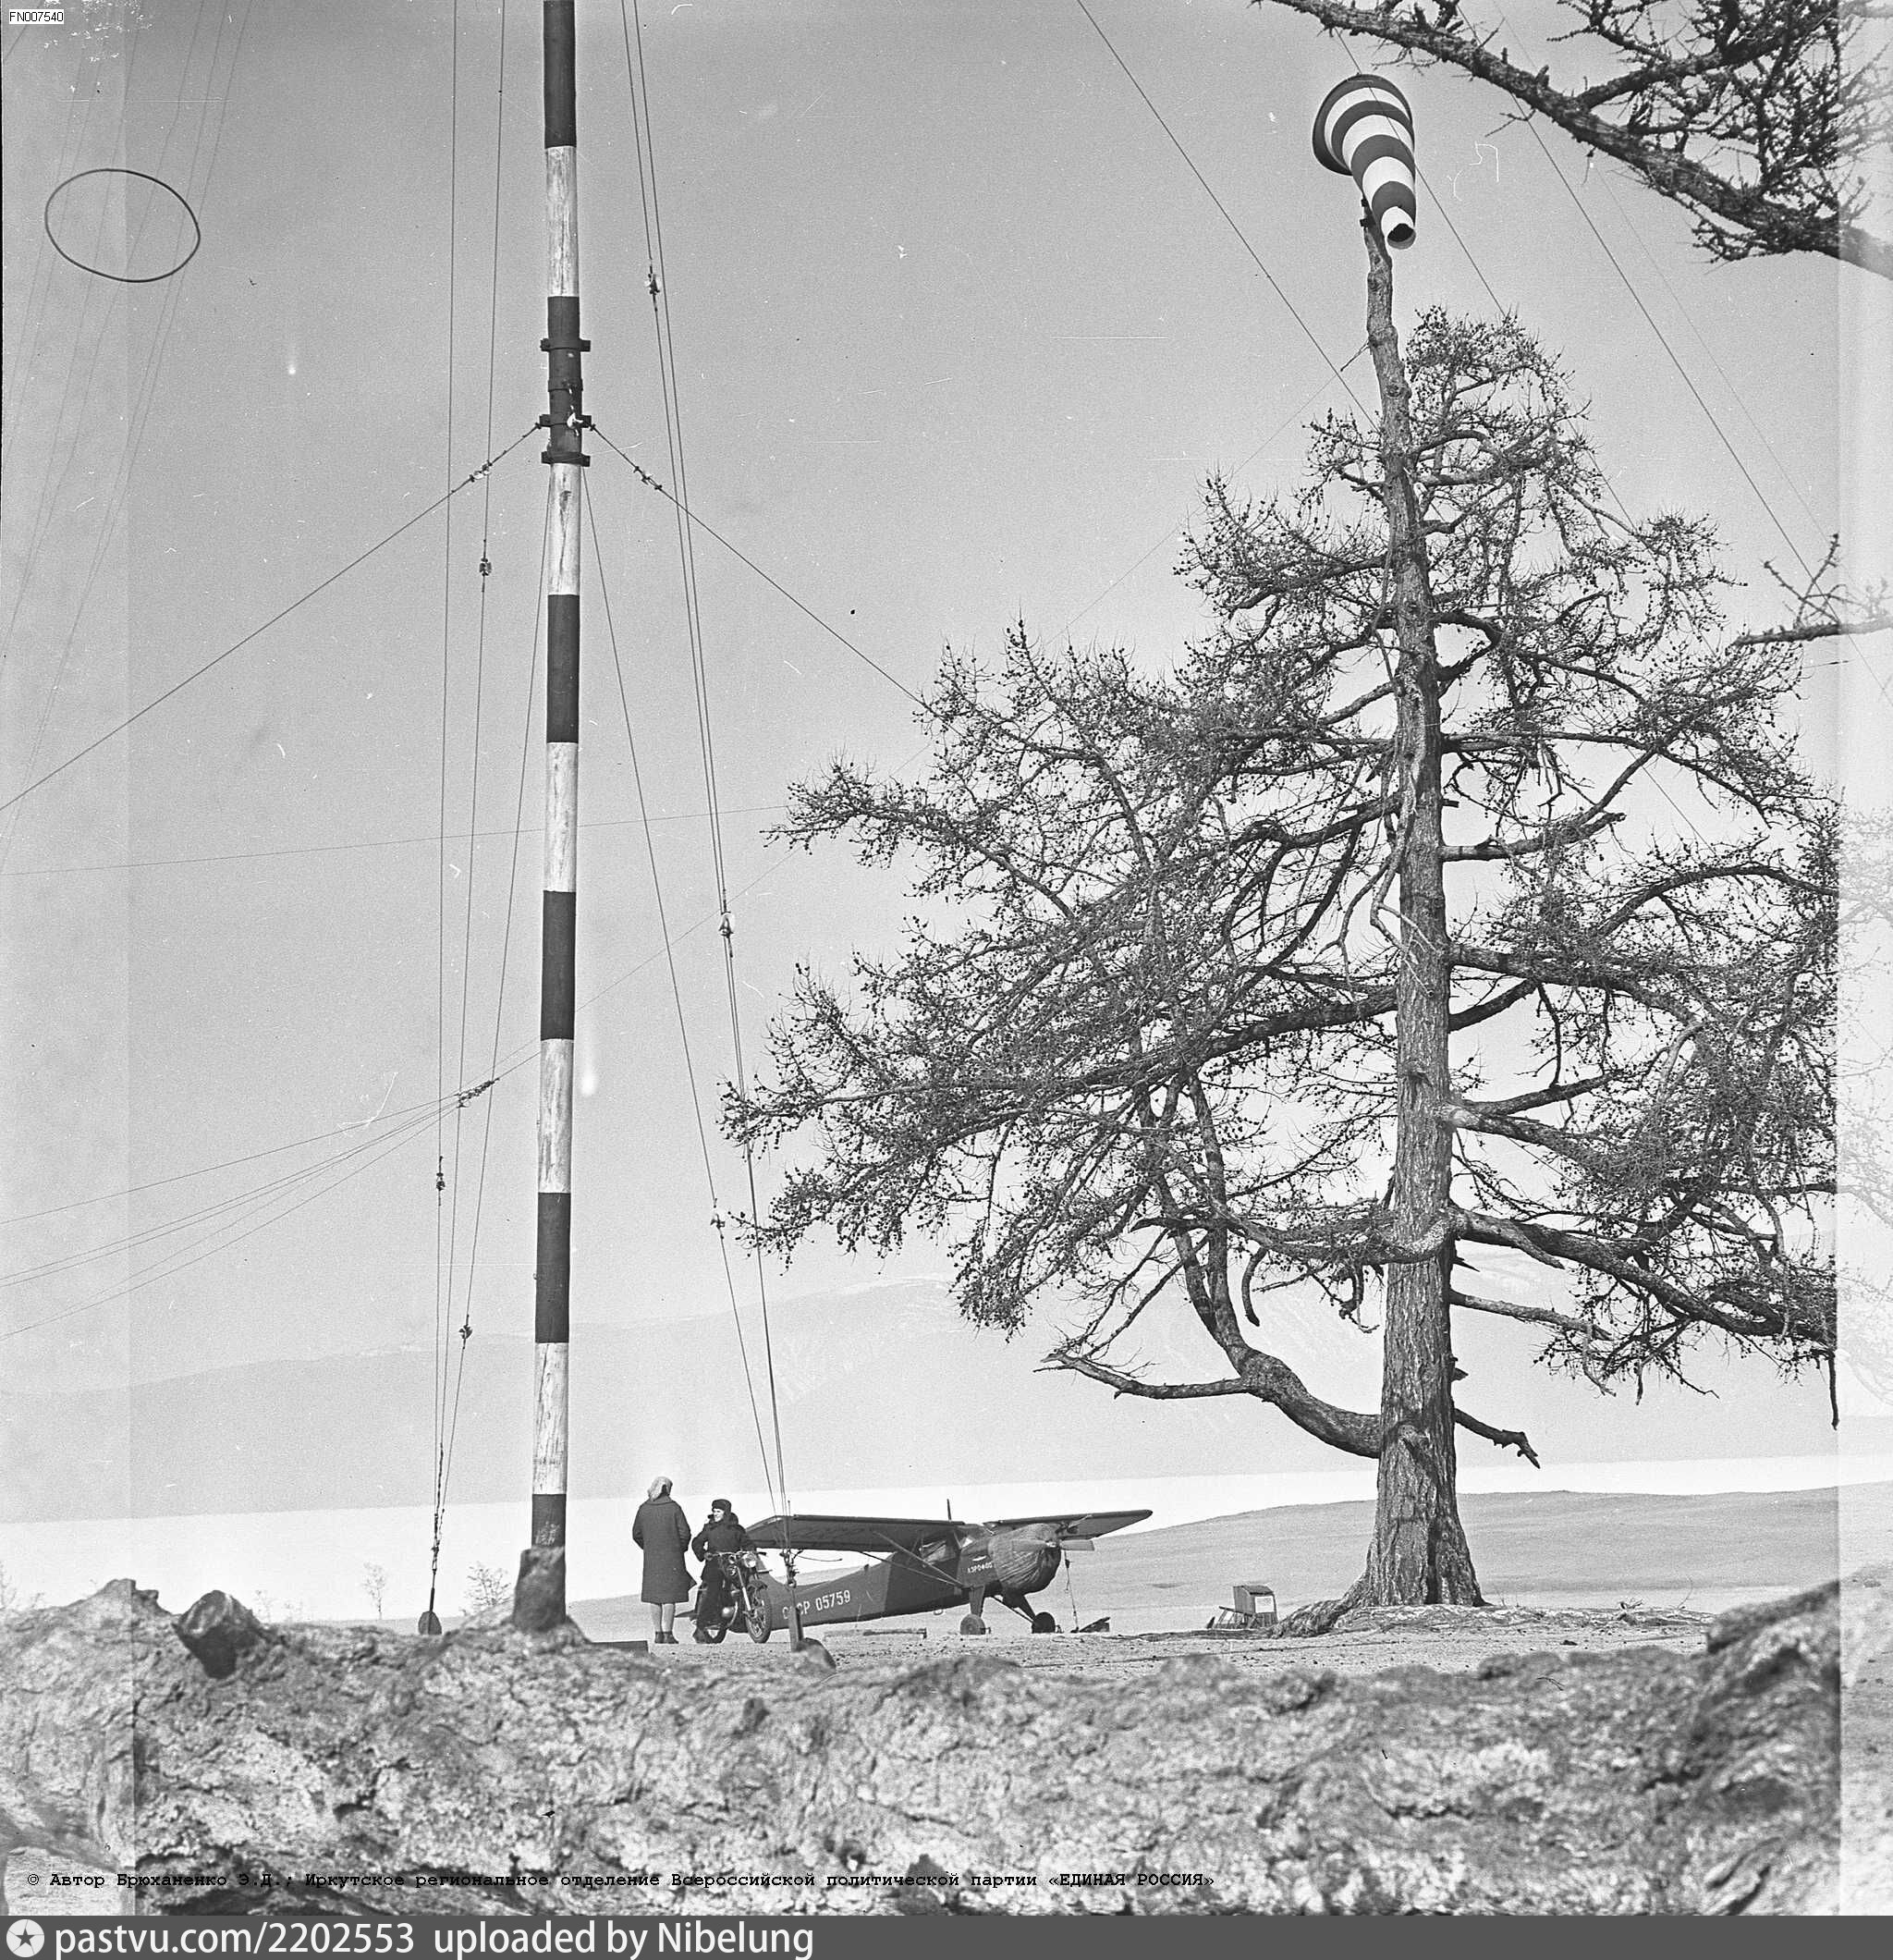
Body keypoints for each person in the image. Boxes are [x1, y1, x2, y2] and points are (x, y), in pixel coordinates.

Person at [631, 1475, 692, 1644]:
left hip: (652, 1558)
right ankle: (668, 1634)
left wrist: (649, 1547)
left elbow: (636, 1534)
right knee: (669, 1597)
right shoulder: (674, 1508)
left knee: (654, 1596)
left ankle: (658, 1633)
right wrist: (679, 1548)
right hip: (673, 1558)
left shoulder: (644, 1508)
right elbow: (685, 1533)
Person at [690, 1498, 754, 1643]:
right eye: (714, 1511)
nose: (715, 1514)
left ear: (726, 1512)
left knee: (745, 1584)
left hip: (733, 1565)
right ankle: (700, 1627)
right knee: (713, 1592)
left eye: (718, 1511)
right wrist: (704, 1553)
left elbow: (747, 1542)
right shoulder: (710, 1528)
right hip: (715, 1565)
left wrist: (750, 1551)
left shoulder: (737, 1529)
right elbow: (697, 1542)